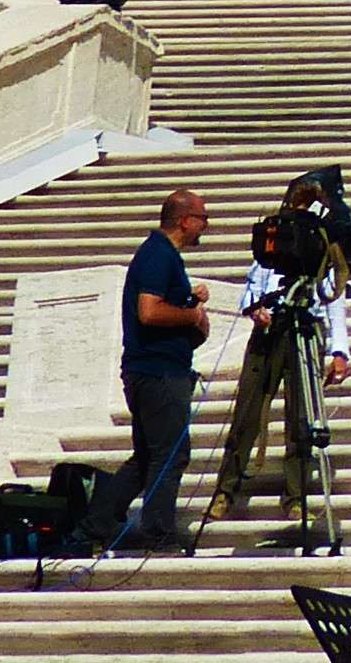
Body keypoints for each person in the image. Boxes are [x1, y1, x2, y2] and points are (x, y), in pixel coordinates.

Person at [206, 174, 351, 537]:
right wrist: (254, 308)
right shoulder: (274, 239)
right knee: (247, 413)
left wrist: (339, 350)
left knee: (302, 418)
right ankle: (226, 489)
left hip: (306, 327)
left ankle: (296, 494)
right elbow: (249, 288)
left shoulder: (320, 243)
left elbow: (335, 298)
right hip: (268, 331)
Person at [114, 187, 214, 552]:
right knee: (170, 454)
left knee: (146, 456)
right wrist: (193, 315)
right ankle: (158, 534)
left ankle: (97, 522)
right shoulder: (158, 254)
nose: (205, 226)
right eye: (203, 218)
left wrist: (190, 305)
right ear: (185, 220)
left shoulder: (163, 255)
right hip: (158, 375)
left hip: (154, 369)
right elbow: (150, 312)